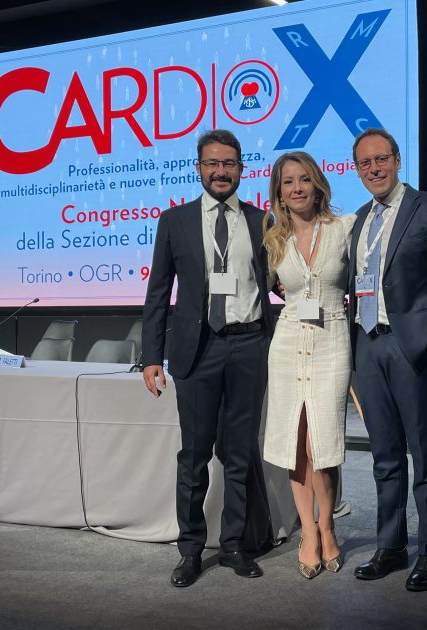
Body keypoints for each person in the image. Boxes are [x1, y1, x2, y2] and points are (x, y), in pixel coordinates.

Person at [141, 129, 275, 587]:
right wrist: (151, 356)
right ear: (199, 168)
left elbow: (280, 281)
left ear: (241, 169)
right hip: (197, 350)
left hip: (248, 346)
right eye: (212, 163)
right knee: (194, 456)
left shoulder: (262, 221)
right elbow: (158, 292)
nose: (221, 171)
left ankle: (233, 545)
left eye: (229, 164)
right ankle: (191, 550)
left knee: (239, 454)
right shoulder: (174, 220)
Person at [348, 128, 427, 591]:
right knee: (384, 456)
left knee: (425, 454)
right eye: (365, 163)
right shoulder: (358, 221)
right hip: (368, 345)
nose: (374, 169)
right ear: (356, 170)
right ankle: (392, 546)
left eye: (381, 159)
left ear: (398, 160)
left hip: (414, 349)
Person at [262, 152, 355, 579]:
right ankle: (309, 533)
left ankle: (328, 523)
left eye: (303, 179)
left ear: (317, 185)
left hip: (331, 340)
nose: (296, 188)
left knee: (323, 442)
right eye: (288, 182)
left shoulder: (344, 229)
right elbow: (268, 287)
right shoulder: (274, 238)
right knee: (294, 443)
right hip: (287, 342)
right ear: (279, 193)